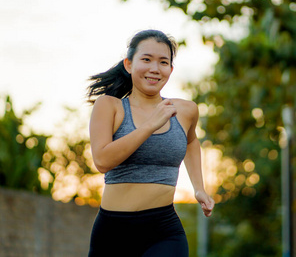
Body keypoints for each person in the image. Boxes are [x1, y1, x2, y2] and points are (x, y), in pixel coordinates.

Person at [86, 29, 214, 257]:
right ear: (128, 64)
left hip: (164, 230)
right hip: (113, 232)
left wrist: (199, 188)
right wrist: (149, 125)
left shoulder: (185, 110)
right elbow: (102, 161)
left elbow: (191, 142)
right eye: (146, 59)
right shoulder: (110, 106)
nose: (155, 69)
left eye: (163, 62)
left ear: (170, 70)